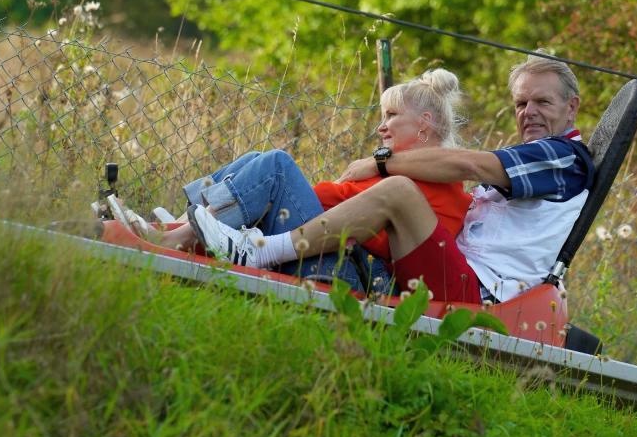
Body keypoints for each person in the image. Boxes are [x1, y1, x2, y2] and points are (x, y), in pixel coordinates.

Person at [186, 55, 596, 304]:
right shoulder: (535, 162)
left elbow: (469, 164)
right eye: (521, 103)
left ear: (572, 107)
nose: (528, 112)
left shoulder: (564, 157)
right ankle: (185, 227)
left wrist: (380, 164)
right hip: (442, 269)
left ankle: (255, 251)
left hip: (473, 291)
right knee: (271, 164)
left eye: (542, 102)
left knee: (393, 189)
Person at [122, 69, 473, 291]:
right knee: (255, 159)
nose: (381, 127)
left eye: (392, 116)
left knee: (276, 166)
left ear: (425, 124)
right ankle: (178, 225)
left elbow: (383, 240)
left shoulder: (441, 186)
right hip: (318, 247)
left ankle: (176, 239)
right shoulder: (394, 170)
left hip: (347, 269)